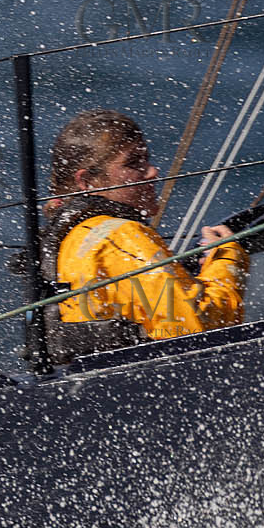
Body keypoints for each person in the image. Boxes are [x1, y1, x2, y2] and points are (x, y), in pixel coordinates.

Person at [39, 110, 249, 365]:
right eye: (133, 162)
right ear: (88, 181)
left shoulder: (72, 239)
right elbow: (198, 331)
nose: (152, 172)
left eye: (147, 159)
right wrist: (227, 262)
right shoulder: (122, 236)